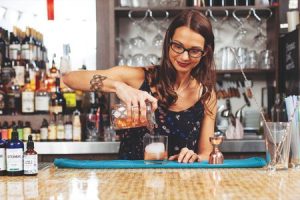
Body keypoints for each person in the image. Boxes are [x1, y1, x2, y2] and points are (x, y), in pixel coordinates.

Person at [63, 9, 217, 163]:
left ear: (205, 52)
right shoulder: (139, 78)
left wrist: (195, 156)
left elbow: (206, 154)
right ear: (168, 41)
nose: (184, 56)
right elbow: (70, 78)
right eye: (178, 46)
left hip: (180, 183)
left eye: (195, 51)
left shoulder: (206, 96)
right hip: (130, 181)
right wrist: (118, 86)